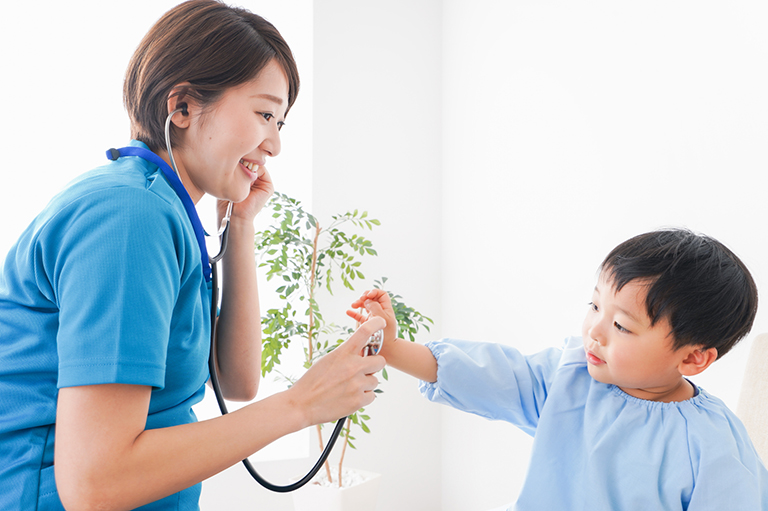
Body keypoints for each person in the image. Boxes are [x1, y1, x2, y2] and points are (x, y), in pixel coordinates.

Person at [0, 1, 386, 509]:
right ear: (182, 107)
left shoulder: (160, 208)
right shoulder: (129, 216)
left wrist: (240, 226)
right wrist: (302, 404)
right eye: (264, 114)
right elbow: (95, 484)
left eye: (281, 122)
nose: (274, 144)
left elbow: (237, 379)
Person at [350, 228, 768, 510]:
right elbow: (488, 375)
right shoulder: (570, 378)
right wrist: (392, 347)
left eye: (622, 326)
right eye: (595, 306)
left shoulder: (713, 444)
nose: (595, 331)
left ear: (693, 358)